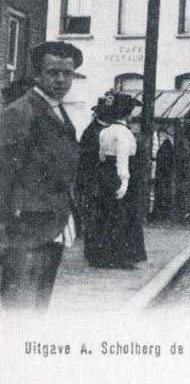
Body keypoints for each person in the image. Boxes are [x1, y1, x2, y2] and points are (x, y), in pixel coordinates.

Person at [0, 41, 83, 311]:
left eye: (67, 73)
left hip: (51, 221)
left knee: (38, 303)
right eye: (53, 72)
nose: (61, 79)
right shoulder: (21, 112)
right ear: (36, 75)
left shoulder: (55, 107)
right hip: (25, 226)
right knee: (20, 305)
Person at [93, 93, 144, 269]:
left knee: (107, 213)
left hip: (105, 174)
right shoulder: (124, 133)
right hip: (120, 174)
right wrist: (124, 181)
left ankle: (103, 255)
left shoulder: (105, 131)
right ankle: (122, 256)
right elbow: (122, 158)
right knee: (122, 215)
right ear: (127, 114)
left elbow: (100, 156)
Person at [76, 96, 113, 267]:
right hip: (93, 181)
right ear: (98, 112)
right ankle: (94, 254)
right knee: (94, 218)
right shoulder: (91, 131)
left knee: (106, 218)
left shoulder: (111, 129)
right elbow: (83, 157)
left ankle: (105, 252)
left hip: (107, 182)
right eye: (105, 112)